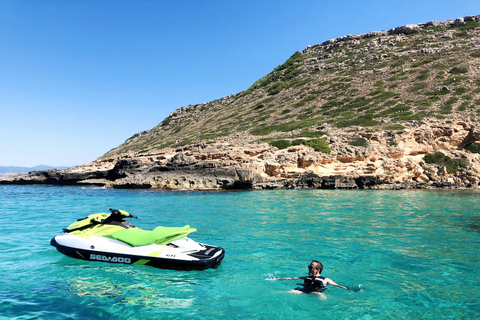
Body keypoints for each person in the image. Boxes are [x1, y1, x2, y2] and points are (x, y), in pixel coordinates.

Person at [275, 260, 348, 298]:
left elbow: (337, 285)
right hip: (303, 291)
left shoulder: (325, 279)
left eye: (311, 267)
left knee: (321, 296)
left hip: (316, 292)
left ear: (318, 270)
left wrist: (347, 289)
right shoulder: (305, 277)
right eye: (308, 267)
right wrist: (278, 279)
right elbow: (291, 278)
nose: (309, 269)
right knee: (289, 291)